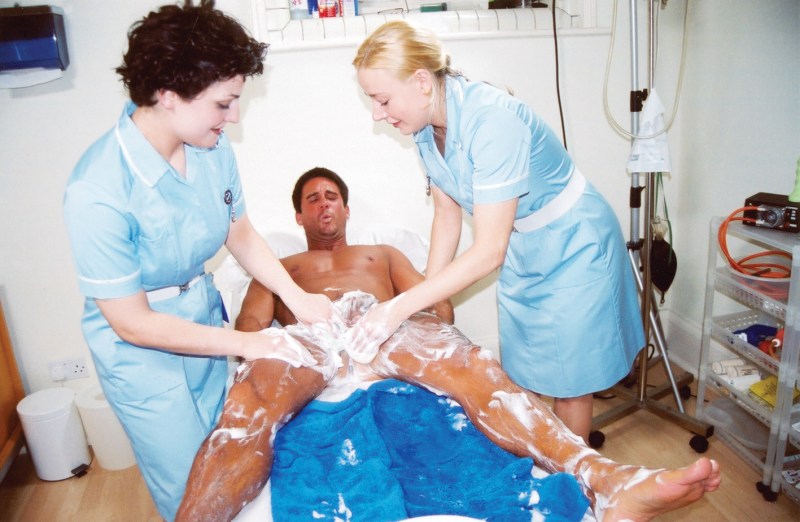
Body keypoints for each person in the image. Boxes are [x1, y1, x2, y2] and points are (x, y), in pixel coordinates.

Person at [176, 168, 720, 522]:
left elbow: (439, 310)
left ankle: (604, 478)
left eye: (333, 196)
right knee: (247, 410)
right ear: (298, 216)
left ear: (346, 210)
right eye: (312, 199)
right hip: (307, 338)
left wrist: (414, 323)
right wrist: (277, 344)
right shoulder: (279, 267)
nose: (324, 205)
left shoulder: (382, 253)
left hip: (384, 326)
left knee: (479, 369)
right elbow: (249, 329)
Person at [62, 3, 332, 520]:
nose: (233, 117)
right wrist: (252, 342)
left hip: (206, 323)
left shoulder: (210, 148)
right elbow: (133, 323)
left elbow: (240, 231)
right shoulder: (96, 189)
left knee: (232, 455)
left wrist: (297, 297)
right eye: (223, 103)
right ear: (167, 95)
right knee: (194, 488)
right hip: (143, 358)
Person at [349, 19, 646, 442]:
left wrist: (396, 308)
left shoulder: (492, 122)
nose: (378, 114)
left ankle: (573, 487)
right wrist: (429, 300)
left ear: (420, 82)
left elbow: (488, 251)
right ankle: (541, 463)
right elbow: (446, 213)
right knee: (526, 371)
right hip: (523, 246)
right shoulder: (424, 128)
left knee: (570, 383)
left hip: (573, 243)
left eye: (381, 100)